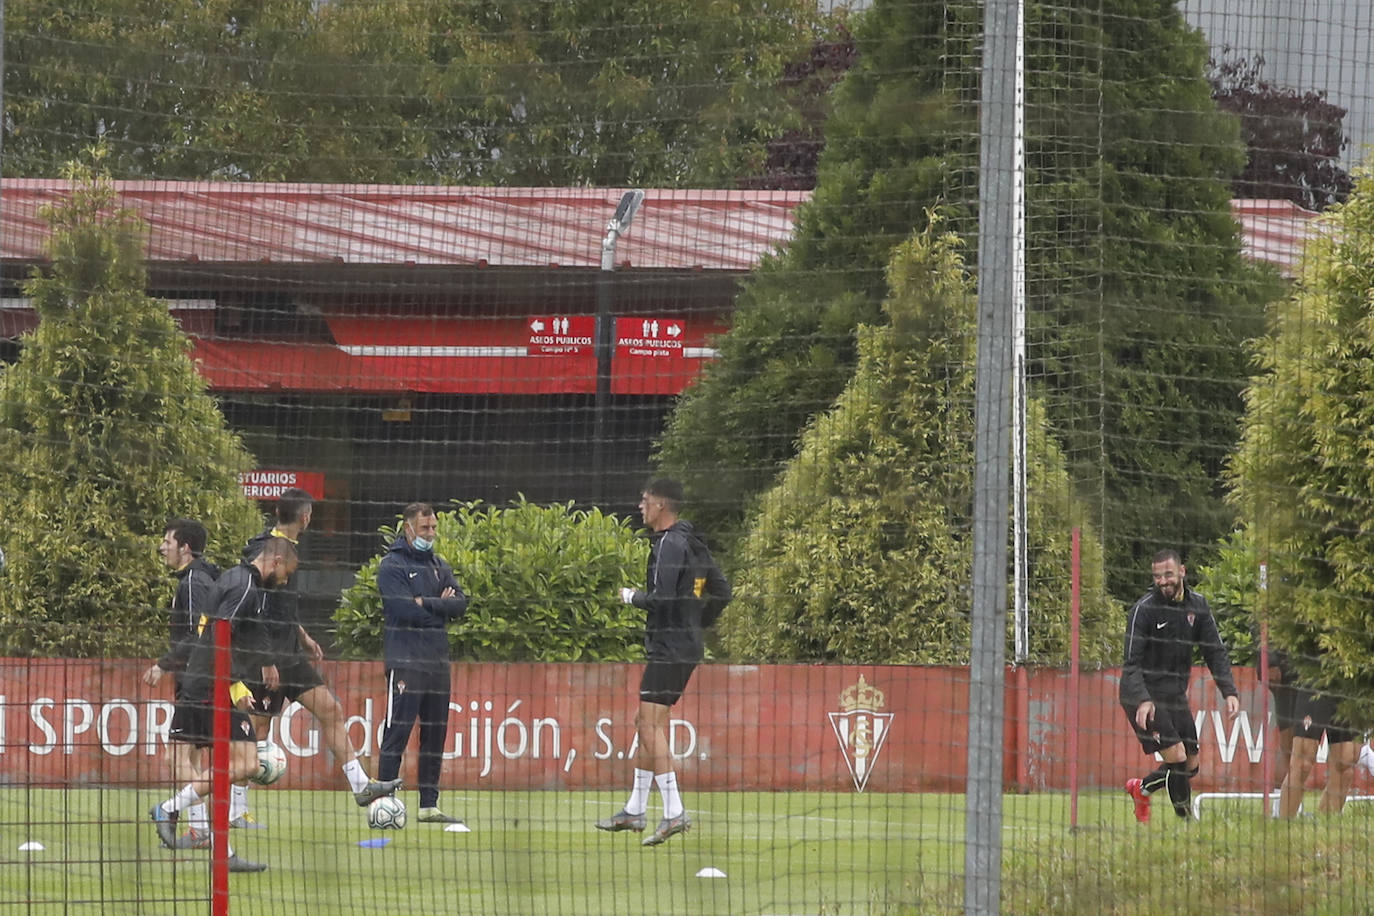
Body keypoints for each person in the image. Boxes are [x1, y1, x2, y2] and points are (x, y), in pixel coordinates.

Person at [242, 488, 401, 816]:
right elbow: (255, 609)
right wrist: (267, 659)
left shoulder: (289, 549)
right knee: (257, 733)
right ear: (306, 516)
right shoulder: (264, 550)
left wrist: (302, 635)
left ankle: (361, 786)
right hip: (266, 658)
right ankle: (233, 811)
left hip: (291, 655)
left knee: (330, 709)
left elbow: (280, 607)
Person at [148, 536, 299, 873]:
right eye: (287, 573)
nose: (286, 580)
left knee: (193, 757)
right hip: (211, 685)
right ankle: (170, 808)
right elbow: (220, 636)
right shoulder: (244, 587)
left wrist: (264, 664)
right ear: (275, 561)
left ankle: (222, 852)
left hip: (205, 681)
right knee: (245, 763)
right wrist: (235, 685)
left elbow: (248, 631)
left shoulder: (241, 581)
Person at [596, 478, 730, 847]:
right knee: (646, 721)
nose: (640, 506)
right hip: (683, 645)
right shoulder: (692, 541)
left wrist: (630, 596)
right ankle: (635, 810)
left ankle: (674, 812)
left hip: (670, 647)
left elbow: (661, 599)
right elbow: (723, 590)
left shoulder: (670, 544)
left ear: (660, 505)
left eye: (645, 500)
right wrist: (697, 623)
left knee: (649, 722)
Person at [1120, 549, 1240, 823]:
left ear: (1182, 572)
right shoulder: (1144, 609)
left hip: (1174, 695)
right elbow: (1130, 663)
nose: (1163, 581)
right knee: (1176, 757)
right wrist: (1142, 699)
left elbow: (1215, 652)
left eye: (1169, 574)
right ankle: (1186, 822)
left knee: (1190, 764)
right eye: (1158, 576)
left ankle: (1142, 788)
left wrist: (1229, 691)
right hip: (1143, 693)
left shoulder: (1197, 606)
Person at [376, 503, 468, 824]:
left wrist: (427, 603)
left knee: (435, 734)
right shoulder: (392, 565)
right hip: (405, 661)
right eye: (425, 528)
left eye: (433, 528)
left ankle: (429, 805)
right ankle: (384, 804)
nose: (430, 534)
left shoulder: (439, 564)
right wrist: (438, 607)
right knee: (397, 732)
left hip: (437, 663)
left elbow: (460, 604)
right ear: (408, 529)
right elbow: (403, 610)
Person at [141, 518, 221, 848]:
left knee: (176, 759)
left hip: (196, 683)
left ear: (185, 548)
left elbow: (198, 634)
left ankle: (191, 823)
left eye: (167, 541)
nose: (162, 547)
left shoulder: (192, 584)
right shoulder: (201, 578)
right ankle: (200, 830)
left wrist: (163, 664)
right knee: (195, 759)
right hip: (202, 681)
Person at [1278, 673, 1359, 818]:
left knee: (1346, 762)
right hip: (1315, 677)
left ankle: (1328, 823)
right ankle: (1285, 823)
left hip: (1351, 683)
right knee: (1302, 763)